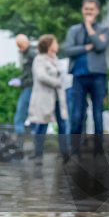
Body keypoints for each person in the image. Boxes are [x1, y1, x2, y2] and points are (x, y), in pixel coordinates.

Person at [60, 0, 109, 154]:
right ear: (82, 10)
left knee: (98, 113)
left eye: (92, 9)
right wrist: (88, 47)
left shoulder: (104, 30)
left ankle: (98, 149)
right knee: (77, 114)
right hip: (79, 76)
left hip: (98, 76)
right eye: (86, 9)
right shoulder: (74, 30)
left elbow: (101, 46)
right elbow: (67, 49)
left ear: (97, 11)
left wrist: (89, 27)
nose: (89, 12)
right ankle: (75, 148)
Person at [28, 34, 70, 164]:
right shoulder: (39, 59)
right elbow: (41, 76)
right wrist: (57, 82)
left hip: (58, 98)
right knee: (42, 125)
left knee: (62, 125)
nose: (57, 45)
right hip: (45, 98)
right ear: (49, 45)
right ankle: (38, 154)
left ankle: (65, 153)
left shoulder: (56, 59)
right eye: (55, 42)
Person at [10, 34, 36, 140]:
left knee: (20, 116)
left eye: (20, 45)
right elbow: (27, 72)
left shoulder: (32, 53)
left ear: (26, 42)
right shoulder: (26, 53)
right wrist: (20, 80)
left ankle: (19, 143)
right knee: (33, 117)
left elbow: (35, 73)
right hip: (29, 86)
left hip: (31, 87)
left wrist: (22, 82)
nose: (19, 48)